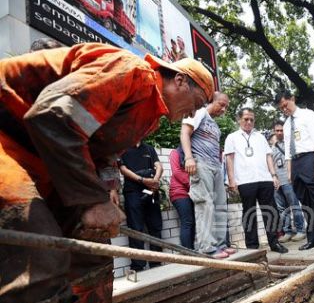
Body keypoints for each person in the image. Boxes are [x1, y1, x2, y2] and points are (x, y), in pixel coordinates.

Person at [0, 42, 214, 302]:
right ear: (180, 81)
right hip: (8, 142)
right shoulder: (131, 72)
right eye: (197, 103)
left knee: (92, 252)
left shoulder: (149, 116)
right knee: (40, 254)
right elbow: (52, 115)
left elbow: (101, 154)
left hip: (45, 161)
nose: (193, 113)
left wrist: (107, 190)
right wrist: (93, 200)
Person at [275, 90, 314, 252]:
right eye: (281, 108)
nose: (284, 109)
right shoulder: (287, 124)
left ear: (292, 99)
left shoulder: (308, 115)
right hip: (295, 164)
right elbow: (288, 150)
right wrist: (289, 172)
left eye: (285, 105)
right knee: (306, 204)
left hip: (310, 159)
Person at [225, 108, 288, 253]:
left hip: (264, 178)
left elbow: (268, 156)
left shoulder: (260, 136)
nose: (249, 122)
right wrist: (231, 180)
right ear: (239, 119)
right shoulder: (232, 137)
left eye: (251, 119)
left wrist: (273, 175)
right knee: (249, 213)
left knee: (270, 211)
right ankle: (252, 247)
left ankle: (274, 243)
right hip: (245, 180)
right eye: (246, 119)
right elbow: (229, 158)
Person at [180, 92, 233, 258]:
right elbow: (184, 132)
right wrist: (189, 158)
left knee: (220, 206)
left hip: (216, 167)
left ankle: (220, 244)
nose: (223, 109)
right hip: (200, 163)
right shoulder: (198, 112)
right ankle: (207, 248)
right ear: (211, 101)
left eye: (226, 107)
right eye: (221, 104)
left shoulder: (215, 125)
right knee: (205, 205)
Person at [119, 141, 164, 271]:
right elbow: (122, 169)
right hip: (133, 191)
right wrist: (142, 180)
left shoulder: (149, 148)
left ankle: (157, 262)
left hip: (151, 191)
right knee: (135, 228)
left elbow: (159, 165)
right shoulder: (122, 148)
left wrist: (155, 180)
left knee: (155, 226)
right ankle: (138, 266)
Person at [271, 121, 306, 243]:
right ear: (274, 131)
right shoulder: (272, 147)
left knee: (294, 206)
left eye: (281, 130)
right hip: (277, 183)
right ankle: (287, 231)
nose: (279, 132)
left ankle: (301, 230)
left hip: (289, 180)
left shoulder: (291, 145)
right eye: (277, 130)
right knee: (282, 209)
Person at [169, 147, 195, 250]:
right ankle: (187, 254)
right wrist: (193, 185)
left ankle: (191, 251)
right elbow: (176, 172)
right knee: (187, 221)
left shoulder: (195, 152)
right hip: (179, 192)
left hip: (193, 192)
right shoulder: (175, 153)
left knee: (193, 222)